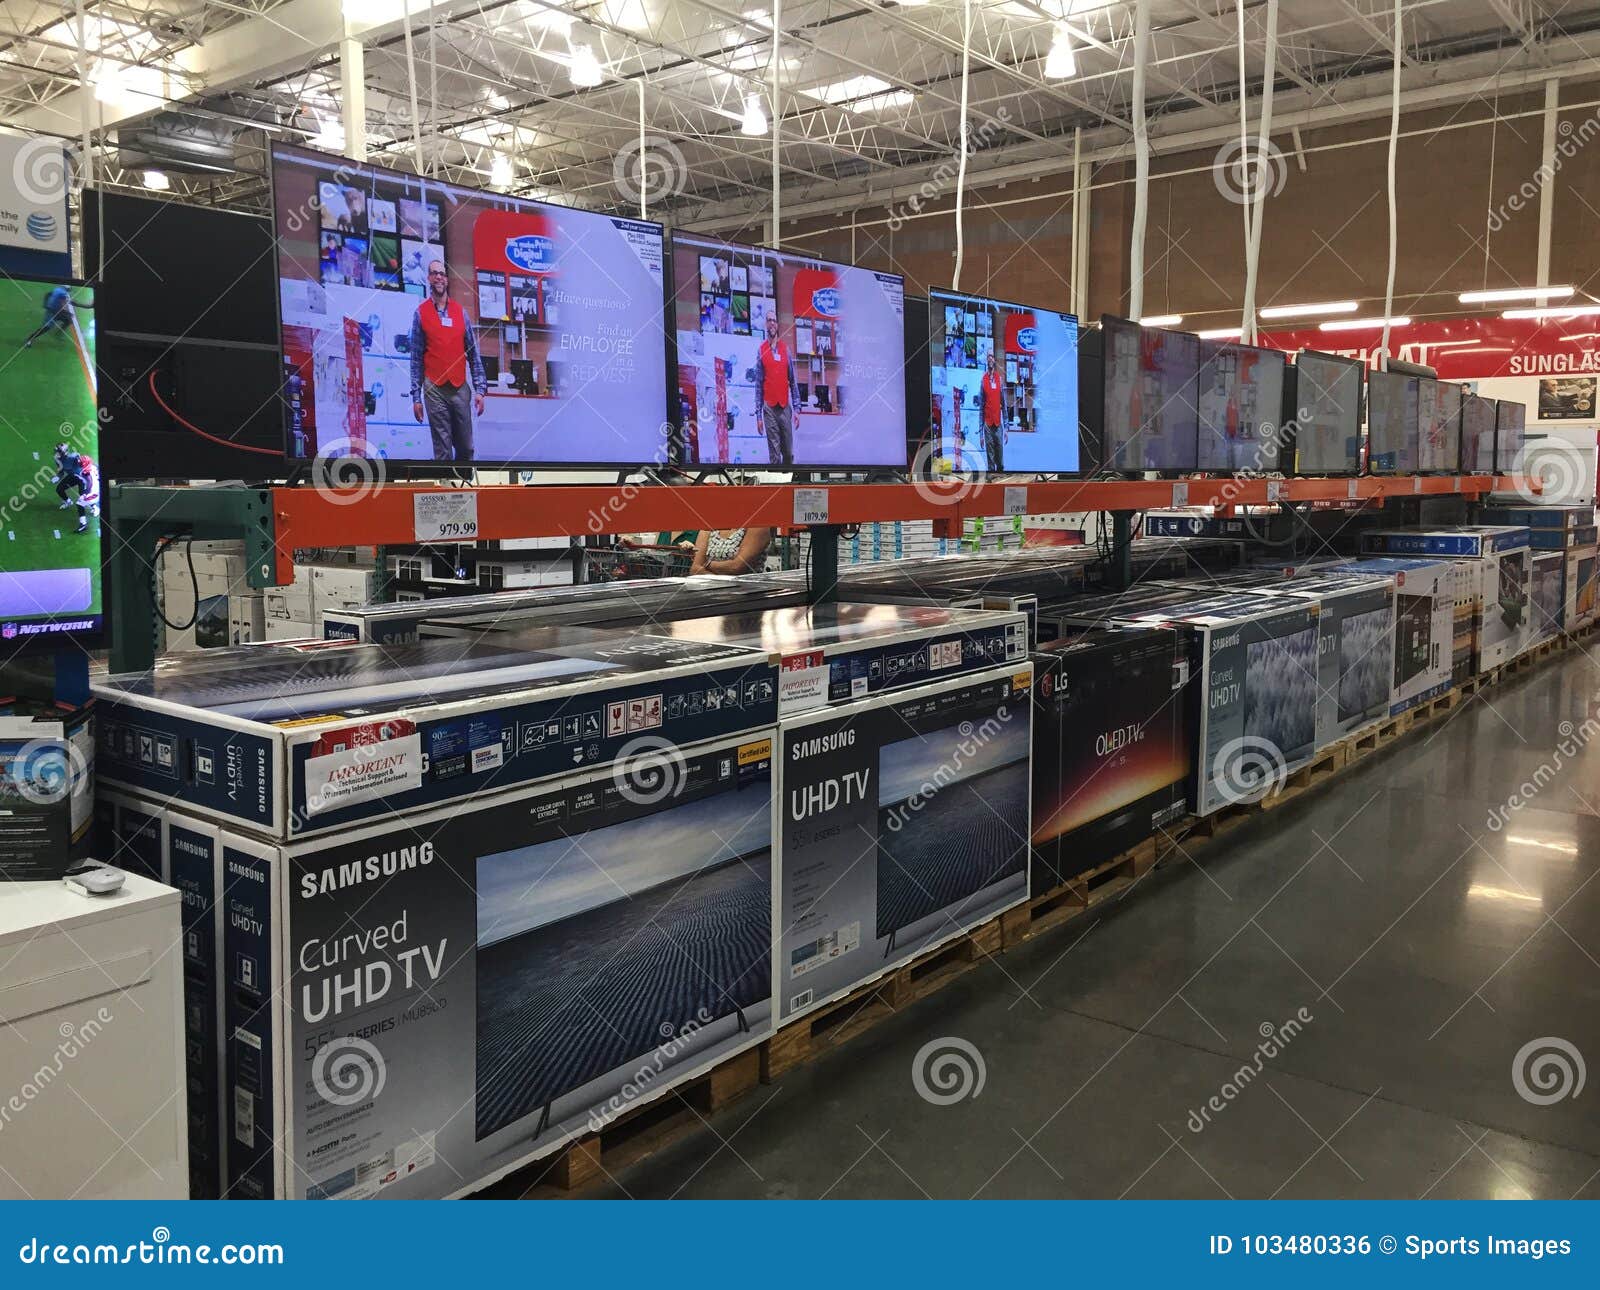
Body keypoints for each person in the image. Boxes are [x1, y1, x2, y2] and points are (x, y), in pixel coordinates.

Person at [409, 260, 487, 462]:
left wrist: (480, 390)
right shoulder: (420, 313)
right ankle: (445, 488)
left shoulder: (461, 313)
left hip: (460, 387)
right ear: (428, 278)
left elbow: (473, 354)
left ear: (447, 279)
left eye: (442, 274)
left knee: (466, 447)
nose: (438, 277)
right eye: (434, 273)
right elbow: (416, 358)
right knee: (442, 449)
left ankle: (464, 488)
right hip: (433, 388)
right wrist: (416, 397)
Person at [756, 315, 800, 467]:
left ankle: (788, 484)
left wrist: (797, 409)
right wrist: (758, 417)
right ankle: (777, 488)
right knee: (774, 453)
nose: (772, 323)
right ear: (766, 325)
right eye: (769, 320)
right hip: (769, 408)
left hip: (784, 407)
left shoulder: (785, 349)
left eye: (774, 320)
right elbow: (758, 385)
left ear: (778, 325)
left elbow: (793, 381)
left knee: (788, 451)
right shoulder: (761, 351)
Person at [53, 443, 99, 534]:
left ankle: (94, 508)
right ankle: (68, 501)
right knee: (59, 489)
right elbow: (61, 471)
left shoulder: (77, 460)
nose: (57, 453)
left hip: (84, 481)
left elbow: (89, 480)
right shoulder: (58, 459)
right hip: (75, 477)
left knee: (82, 499)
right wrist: (58, 477)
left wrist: (85, 493)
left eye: (59, 452)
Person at [691, 527, 773, 576]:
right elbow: (695, 569)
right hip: (709, 593)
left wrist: (707, 564)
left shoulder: (758, 527)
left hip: (746, 596)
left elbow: (736, 567)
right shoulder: (710, 526)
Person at [979, 352, 1005, 471]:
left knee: (999, 451)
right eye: (988, 356)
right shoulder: (983, 380)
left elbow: (1003, 404)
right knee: (990, 454)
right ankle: (991, 479)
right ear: (986, 361)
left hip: (998, 423)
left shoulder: (999, 379)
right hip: (987, 423)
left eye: (992, 356)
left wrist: (1007, 429)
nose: (990, 358)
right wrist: (980, 434)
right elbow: (981, 407)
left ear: (994, 360)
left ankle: (1001, 475)